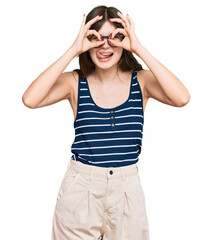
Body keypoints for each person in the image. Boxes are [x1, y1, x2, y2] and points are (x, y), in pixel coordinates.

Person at [22, 5, 190, 240]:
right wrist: (73, 49)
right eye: (95, 38)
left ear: (125, 40)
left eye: (115, 38)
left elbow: (182, 98)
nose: (105, 46)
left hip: (126, 190)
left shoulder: (140, 82)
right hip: (81, 188)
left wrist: (139, 48)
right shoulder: (74, 83)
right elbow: (30, 99)